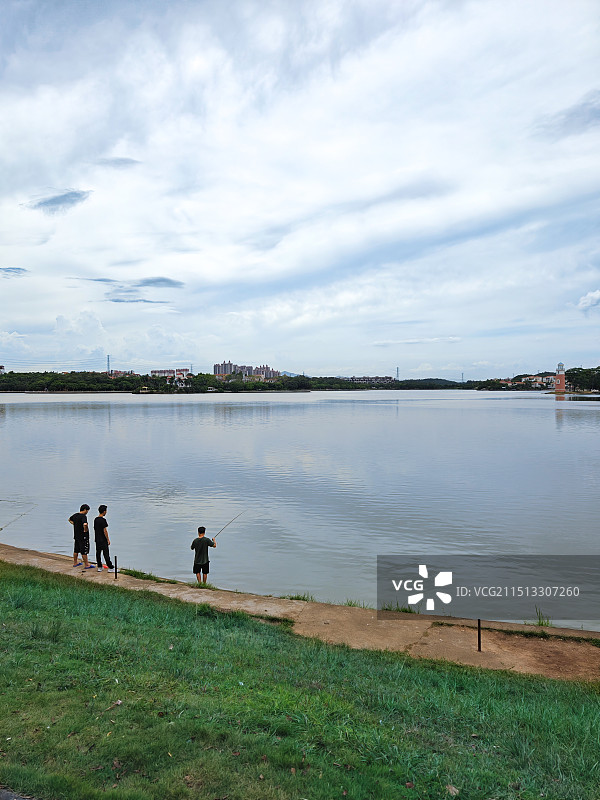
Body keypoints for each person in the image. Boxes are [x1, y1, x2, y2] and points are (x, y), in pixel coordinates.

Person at [69, 504, 92, 569]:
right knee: (84, 550)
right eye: (87, 511)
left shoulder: (75, 515)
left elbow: (69, 519)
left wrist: (74, 524)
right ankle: (87, 564)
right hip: (83, 536)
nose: (87, 512)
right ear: (84, 510)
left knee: (76, 550)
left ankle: (75, 563)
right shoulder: (83, 516)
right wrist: (85, 530)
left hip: (76, 535)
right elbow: (85, 524)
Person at [94, 504, 114, 572]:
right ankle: (110, 567)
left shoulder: (95, 519)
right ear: (104, 511)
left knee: (98, 553)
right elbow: (105, 530)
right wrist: (108, 539)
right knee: (106, 554)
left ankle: (99, 566)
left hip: (97, 539)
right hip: (103, 539)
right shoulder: (103, 520)